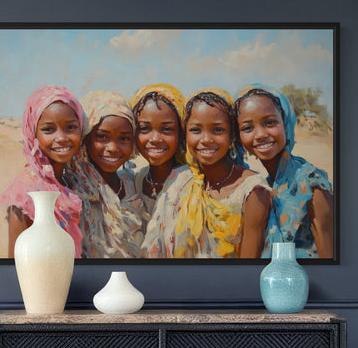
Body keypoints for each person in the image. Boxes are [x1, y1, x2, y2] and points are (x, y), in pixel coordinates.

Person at [145, 88, 271, 258]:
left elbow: (247, 269)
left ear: (233, 135)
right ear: (185, 135)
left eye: (218, 130)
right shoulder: (179, 181)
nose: (206, 140)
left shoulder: (253, 190)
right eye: (196, 130)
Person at [235, 83, 334, 258]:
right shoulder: (263, 184)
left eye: (270, 122)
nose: (260, 134)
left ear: (286, 122)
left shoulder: (310, 183)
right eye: (247, 128)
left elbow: (330, 255)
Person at [0, 85, 86, 258]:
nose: (61, 138)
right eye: (48, 129)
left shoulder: (73, 182)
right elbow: (15, 264)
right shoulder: (24, 194)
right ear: (33, 133)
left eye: (70, 127)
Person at [69, 90, 145, 258]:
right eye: (102, 137)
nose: (113, 148)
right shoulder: (73, 190)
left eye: (124, 138)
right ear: (85, 137)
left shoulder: (133, 185)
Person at [129, 84, 192, 249]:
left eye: (166, 129)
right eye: (144, 128)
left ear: (181, 134)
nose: (155, 138)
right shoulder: (133, 182)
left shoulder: (192, 184)